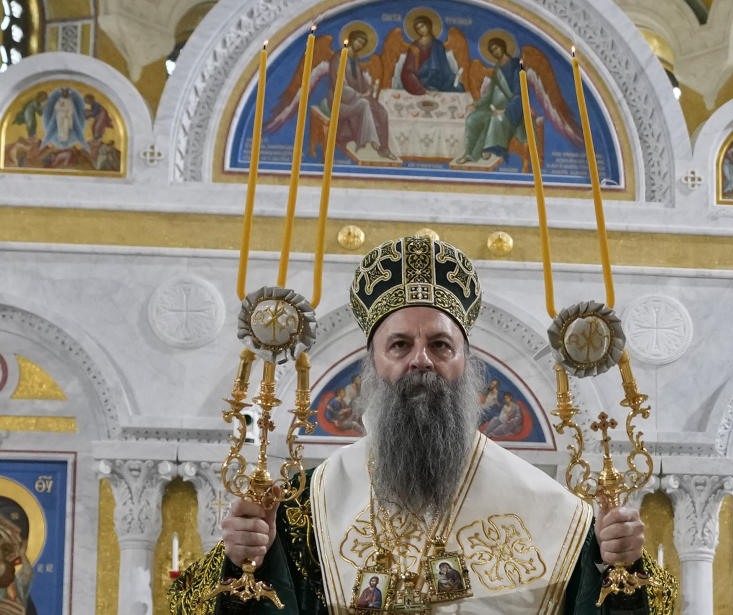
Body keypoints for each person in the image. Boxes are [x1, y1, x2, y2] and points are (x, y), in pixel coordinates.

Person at [169, 235, 669, 614]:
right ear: (373, 364)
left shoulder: (561, 516)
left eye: (440, 345)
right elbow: (193, 602)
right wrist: (243, 558)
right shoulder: (305, 507)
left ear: (467, 363)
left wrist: (617, 563)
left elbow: (638, 603)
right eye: (401, 345)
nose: (421, 361)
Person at [329, 30, 396, 160]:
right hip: (341, 100)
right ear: (352, 40)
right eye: (359, 41)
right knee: (364, 104)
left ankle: (384, 148)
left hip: (358, 97)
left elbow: (360, 80)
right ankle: (371, 143)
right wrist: (360, 95)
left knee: (382, 112)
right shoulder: (338, 58)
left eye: (363, 43)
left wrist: (370, 88)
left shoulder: (355, 59)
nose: (360, 45)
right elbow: (339, 85)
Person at [455, 37, 523, 164]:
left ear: (503, 46)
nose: (495, 52)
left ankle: (483, 151)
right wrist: (477, 104)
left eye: (496, 48)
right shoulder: (497, 68)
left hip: (511, 109)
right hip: (493, 107)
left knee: (493, 120)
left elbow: (520, 93)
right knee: (472, 118)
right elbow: (490, 91)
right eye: (492, 51)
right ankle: (468, 153)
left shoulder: (516, 65)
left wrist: (505, 110)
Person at [400, 16, 463, 94]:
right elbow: (407, 72)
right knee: (432, 90)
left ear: (428, 25)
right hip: (422, 82)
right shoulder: (414, 47)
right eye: (418, 28)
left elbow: (445, 68)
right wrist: (423, 89)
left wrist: (455, 78)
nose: (421, 30)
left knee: (460, 88)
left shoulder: (438, 45)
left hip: (440, 81)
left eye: (422, 26)